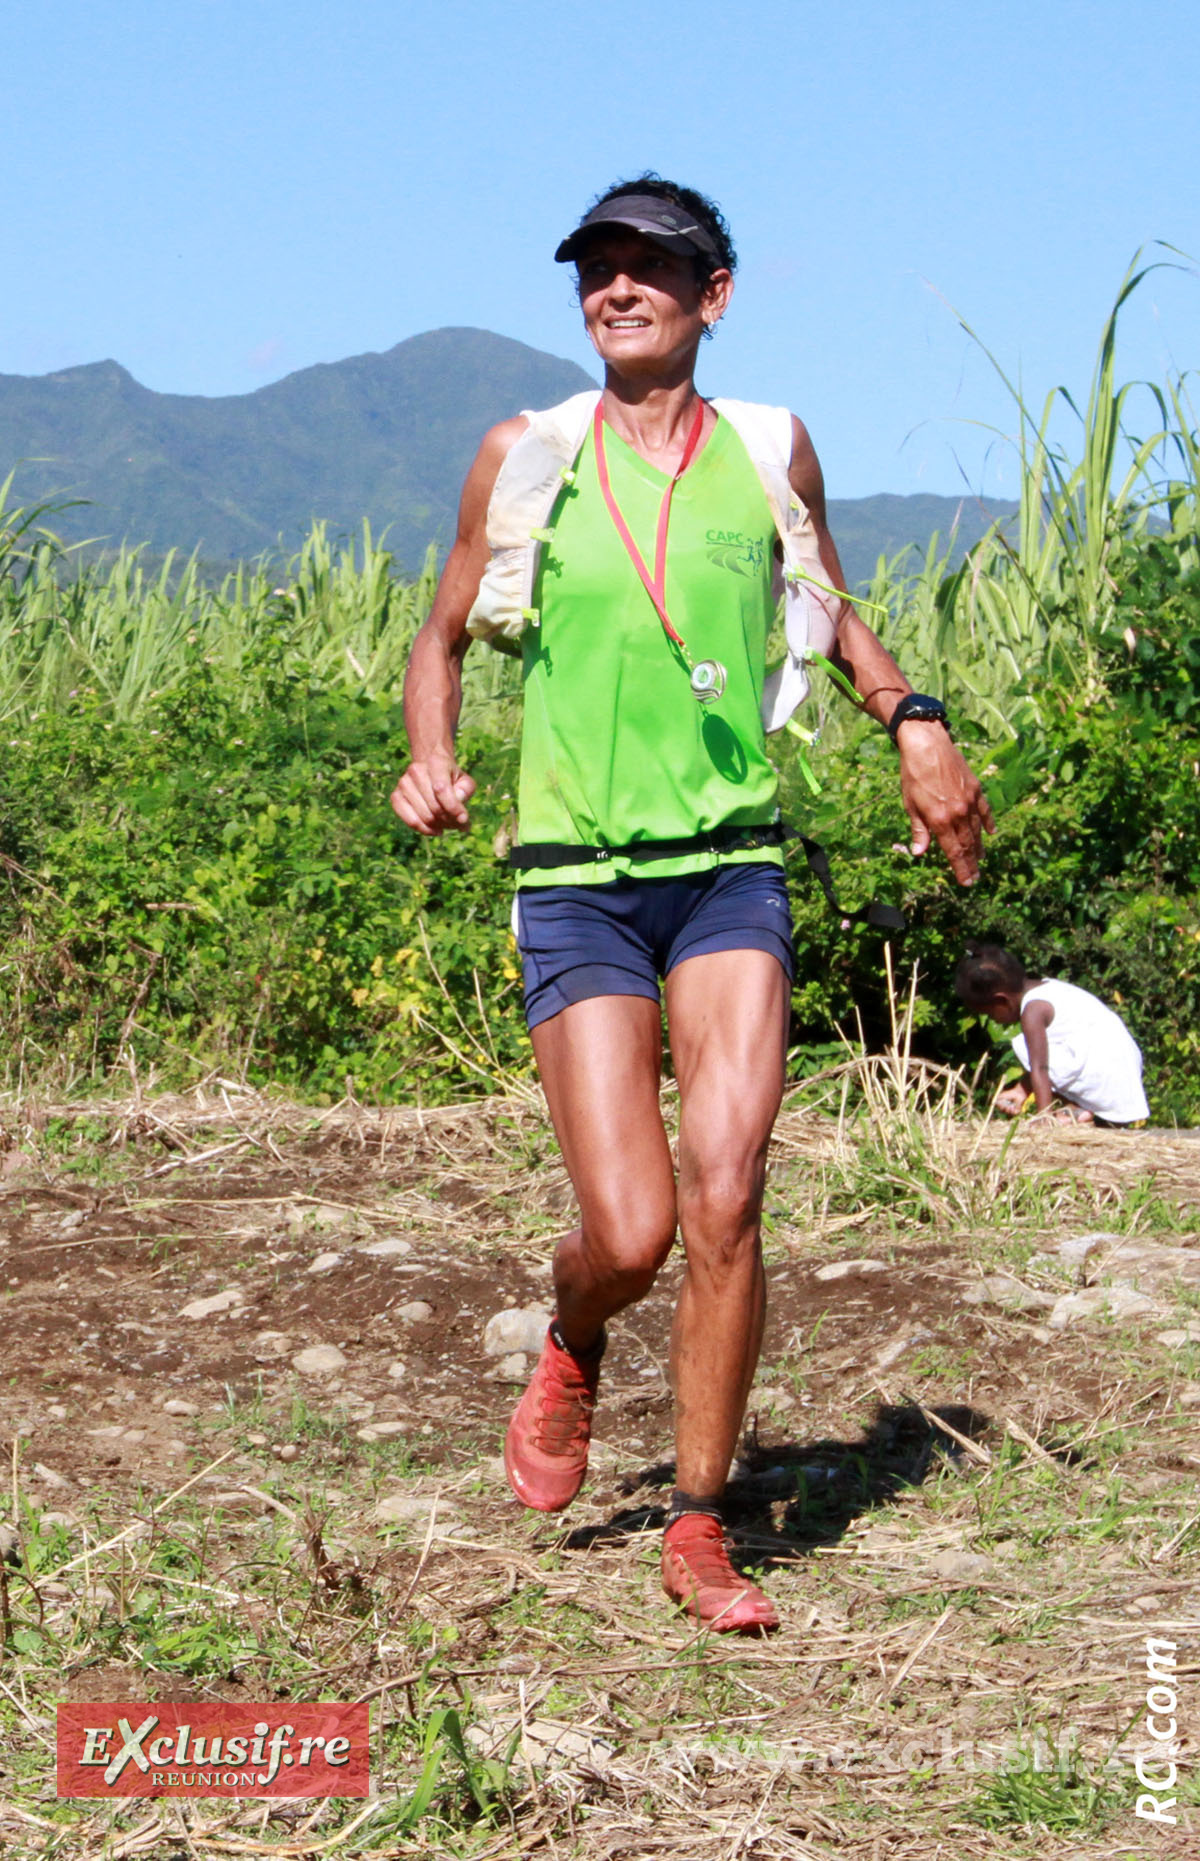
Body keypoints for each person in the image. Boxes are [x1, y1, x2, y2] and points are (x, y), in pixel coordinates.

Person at [391, 175, 993, 1633]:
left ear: (713, 294)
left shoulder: (773, 453)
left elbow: (830, 603)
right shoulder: (524, 456)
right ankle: (574, 1335)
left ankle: (700, 1520)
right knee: (635, 1226)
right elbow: (443, 627)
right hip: (578, 882)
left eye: (650, 265)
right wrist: (433, 751)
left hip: (729, 867)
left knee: (727, 1194)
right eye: (597, 264)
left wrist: (911, 720)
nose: (618, 285)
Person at [954, 944, 1149, 1126]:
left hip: (1106, 1078)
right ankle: (1076, 1109)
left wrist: (1043, 1119)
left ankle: (1072, 1111)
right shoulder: (1049, 987)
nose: (993, 1020)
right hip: (1118, 1069)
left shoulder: (1032, 1011)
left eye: (989, 1013)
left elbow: (1041, 1068)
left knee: (1025, 1047)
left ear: (1001, 1000)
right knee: (1041, 1051)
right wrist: (1022, 1089)